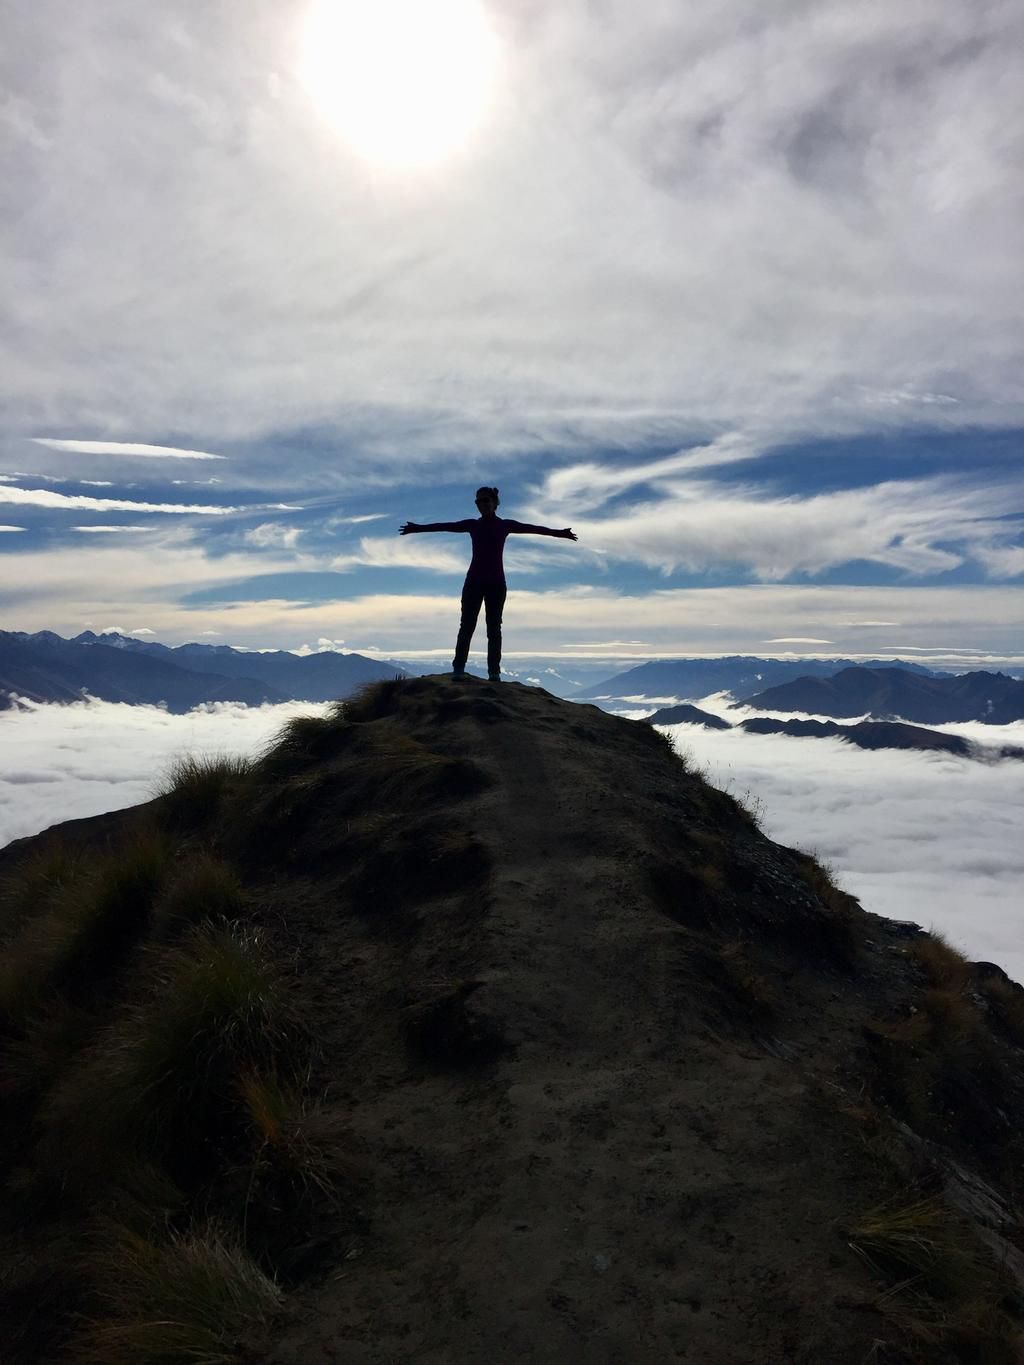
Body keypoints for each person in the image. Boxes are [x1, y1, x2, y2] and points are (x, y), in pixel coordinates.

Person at [399, 487, 578, 681]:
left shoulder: (505, 525)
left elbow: (534, 529)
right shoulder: (473, 525)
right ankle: (458, 669)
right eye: (478, 502)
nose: (481, 505)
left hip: (496, 584)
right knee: (467, 626)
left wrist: (560, 533)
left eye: (485, 501)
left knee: (494, 629)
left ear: (494, 502)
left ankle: (494, 673)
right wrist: (417, 528)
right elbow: (444, 525)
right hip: (474, 582)